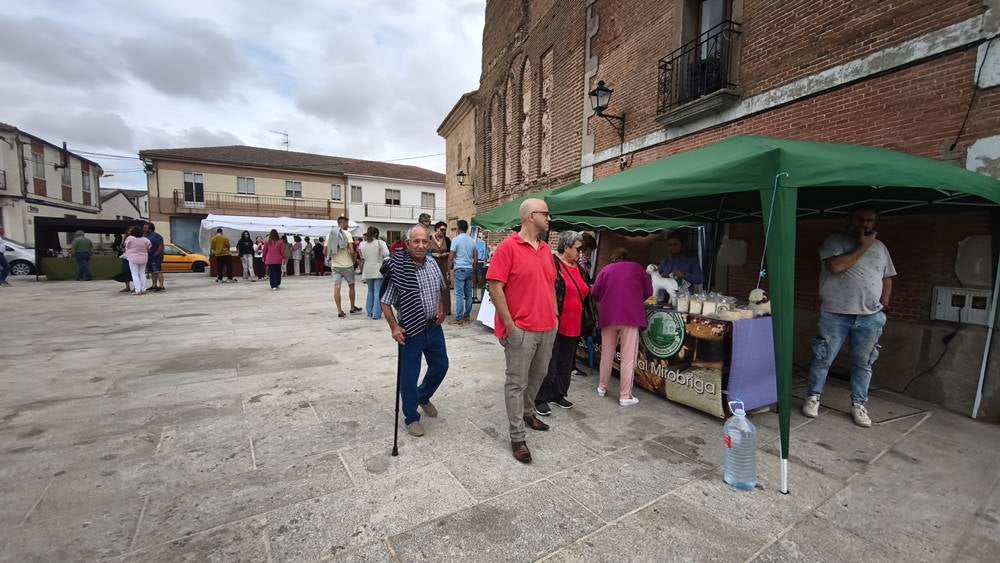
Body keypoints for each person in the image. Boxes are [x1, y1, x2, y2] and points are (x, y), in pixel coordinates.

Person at [802, 206, 896, 428]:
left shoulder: (881, 247)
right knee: (823, 358)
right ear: (850, 220)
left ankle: (859, 404)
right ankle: (813, 397)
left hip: (870, 316)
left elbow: (887, 278)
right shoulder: (835, 241)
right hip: (835, 314)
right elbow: (836, 266)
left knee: (863, 363)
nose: (865, 224)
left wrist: (884, 306)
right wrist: (864, 245)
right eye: (860, 219)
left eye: (870, 220)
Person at [487, 198, 558, 464]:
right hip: (521, 329)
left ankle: (528, 413)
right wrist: (510, 326)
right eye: (545, 214)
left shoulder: (546, 250)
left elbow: (550, 284)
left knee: (538, 375)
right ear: (530, 216)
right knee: (516, 382)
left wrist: (555, 315)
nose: (549, 218)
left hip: (547, 326)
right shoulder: (508, 247)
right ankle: (517, 437)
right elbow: (495, 287)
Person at [380, 224, 448, 437]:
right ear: (407, 244)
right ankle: (411, 416)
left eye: (424, 241)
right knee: (409, 376)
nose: (420, 245)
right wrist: (394, 327)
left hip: (433, 327)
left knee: (441, 366)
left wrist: (441, 309)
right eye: (416, 241)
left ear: (429, 244)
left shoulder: (433, 263)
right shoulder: (399, 269)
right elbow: (385, 301)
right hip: (410, 329)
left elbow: (440, 289)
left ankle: (422, 396)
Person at [533, 231, 590, 416]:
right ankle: (540, 397)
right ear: (566, 246)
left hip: (575, 323)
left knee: (566, 363)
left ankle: (558, 393)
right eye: (578, 248)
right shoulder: (553, 264)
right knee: (549, 362)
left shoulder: (580, 269)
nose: (581, 252)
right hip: (555, 322)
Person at [591, 247, 652, 407]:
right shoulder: (638, 268)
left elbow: (595, 293)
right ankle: (625, 396)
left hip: (608, 316)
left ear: (614, 258)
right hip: (630, 316)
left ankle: (602, 387)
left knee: (606, 354)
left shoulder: (606, 269)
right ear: (628, 257)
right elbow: (648, 291)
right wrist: (634, 296)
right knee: (628, 358)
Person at [327, 216, 361, 317]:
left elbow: (325, 251)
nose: (348, 225)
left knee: (337, 287)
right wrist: (353, 260)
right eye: (347, 223)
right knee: (351, 286)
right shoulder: (347, 234)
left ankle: (339, 311)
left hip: (335, 265)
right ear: (342, 223)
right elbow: (352, 250)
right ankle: (352, 307)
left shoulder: (330, 235)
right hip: (347, 265)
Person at [448, 220, 476, 325]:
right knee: (468, 294)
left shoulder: (456, 240)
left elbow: (450, 257)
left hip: (459, 268)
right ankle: (467, 316)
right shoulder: (472, 240)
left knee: (459, 294)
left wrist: (448, 271)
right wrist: (473, 269)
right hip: (469, 269)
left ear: (458, 228)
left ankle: (459, 318)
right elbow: (476, 257)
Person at [359, 226, 390, 320]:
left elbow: (363, 256)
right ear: (376, 234)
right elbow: (386, 254)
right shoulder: (381, 243)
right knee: (377, 291)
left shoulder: (362, 244)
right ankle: (376, 313)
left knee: (370, 291)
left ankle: (369, 311)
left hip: (367, 269)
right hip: (378, 269)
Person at [429, 221, 452, 316]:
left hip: (444, 264)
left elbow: (451, 252)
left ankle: (446, 309)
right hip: (432, 263)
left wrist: (445, 254)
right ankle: (433, 309)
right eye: (442, 229)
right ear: (436, 229)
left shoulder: (447, 240)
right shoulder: (430, 238)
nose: (443, 232)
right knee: (433, 285)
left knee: (445, 285)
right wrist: (433, 254)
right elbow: (426, 252)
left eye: (445, 230)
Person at [122, 226, 151, 295]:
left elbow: (126, 246)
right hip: (144, 258)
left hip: (133, 258)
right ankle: (143, 289)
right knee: (142, 273)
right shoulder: (145, 239)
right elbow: (149, 247)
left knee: (135, 274)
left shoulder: (130, 238)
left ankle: (138, 290)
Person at [144, 223, 166, 292]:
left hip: (156, 257)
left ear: (150, 229)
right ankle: (154, 285)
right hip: (148, 257)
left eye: (145, 228)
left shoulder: (157, 236)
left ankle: (161, 286)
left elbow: (161, 247)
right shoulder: (145, 236)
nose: (144, 229)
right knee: (152, 272)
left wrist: (155, 255)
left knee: (158, 271)